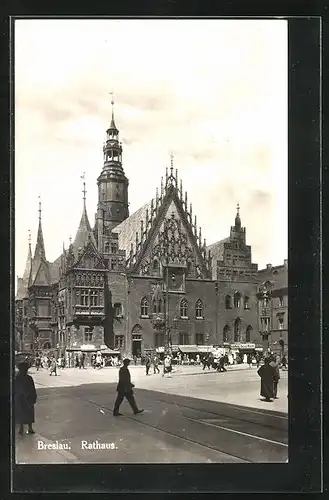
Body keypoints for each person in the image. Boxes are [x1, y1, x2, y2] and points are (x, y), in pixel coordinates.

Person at [15, 362, 37, 435]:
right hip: (28, 398)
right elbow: (32, 388)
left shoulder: (17, 378)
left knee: (21, 413)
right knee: (29, 413)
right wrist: (34, 397)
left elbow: (15, 389)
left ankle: (21, 428)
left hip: (21, 398)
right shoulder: (28, 378)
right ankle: (29, 428)